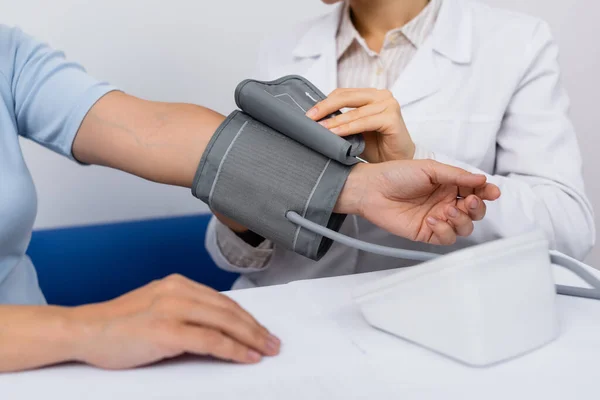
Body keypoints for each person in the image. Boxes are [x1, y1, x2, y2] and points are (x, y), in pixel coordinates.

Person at [0, 25, 499, 372]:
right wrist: (85, 327)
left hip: (56, 374)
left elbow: (148, 128)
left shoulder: (8, 52)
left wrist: (360, 187)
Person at [206, 0, 595, 290]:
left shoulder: (516, 42)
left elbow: (570, 228)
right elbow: (229, 249)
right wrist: (242, 215)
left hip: (441, 322)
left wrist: (415, 160)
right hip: (291, 316)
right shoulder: (283, 48)